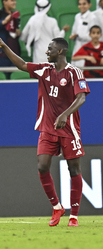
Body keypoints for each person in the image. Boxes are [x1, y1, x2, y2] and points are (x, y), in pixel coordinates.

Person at [0, 36, 90, 226]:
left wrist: (65, 115)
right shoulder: (44, 70)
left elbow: (81, 98)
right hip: (48, 128)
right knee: (42, 166)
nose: (47, 51)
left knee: (74, 170)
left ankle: (74, 215)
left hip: (69, 129)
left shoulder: (74, 72)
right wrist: (4, 46)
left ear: (60, 51)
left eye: (50, 49)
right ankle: (57, 207)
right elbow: (22, 65)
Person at [69, 0, 96, 67]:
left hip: (88, 48)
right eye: (80, 4)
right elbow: (74, 31)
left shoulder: (93, 17)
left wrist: (79, 35)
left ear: (89, 5)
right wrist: (73, 36)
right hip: (77, 47)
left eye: (84, 4)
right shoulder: (77, 17)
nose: (82, 6)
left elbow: (93, 36)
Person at [0, 0, 20, 79]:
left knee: (15, 79)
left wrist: (18, 33)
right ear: (4, 1)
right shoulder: (0, 14)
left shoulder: (15, 15)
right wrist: (4, 21)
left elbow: (14, 32)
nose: (14, 2)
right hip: (2, 54)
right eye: (12, 0)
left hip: (15, 53)